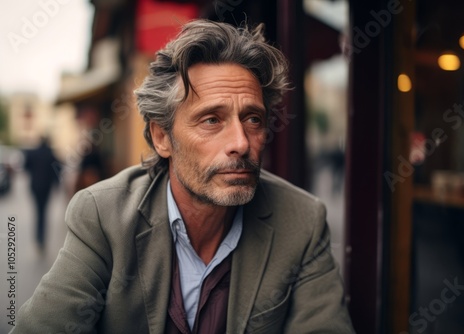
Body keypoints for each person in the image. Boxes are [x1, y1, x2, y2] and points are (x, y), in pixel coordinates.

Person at [12, 20, 355, 333]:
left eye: (253, 119)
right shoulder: (103, 215)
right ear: (162, 137)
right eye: (211, 120)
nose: (240, 143)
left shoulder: (302, 221)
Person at [24, 137, 59, 250]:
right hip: (46, 187)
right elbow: (57, 170)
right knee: (43, 212)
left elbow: (26, 167)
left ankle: (38, 238)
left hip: (35, 186)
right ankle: (41, 238)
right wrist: (57, 185)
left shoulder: (33, 153)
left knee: (38, 211)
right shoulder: (51, 154)